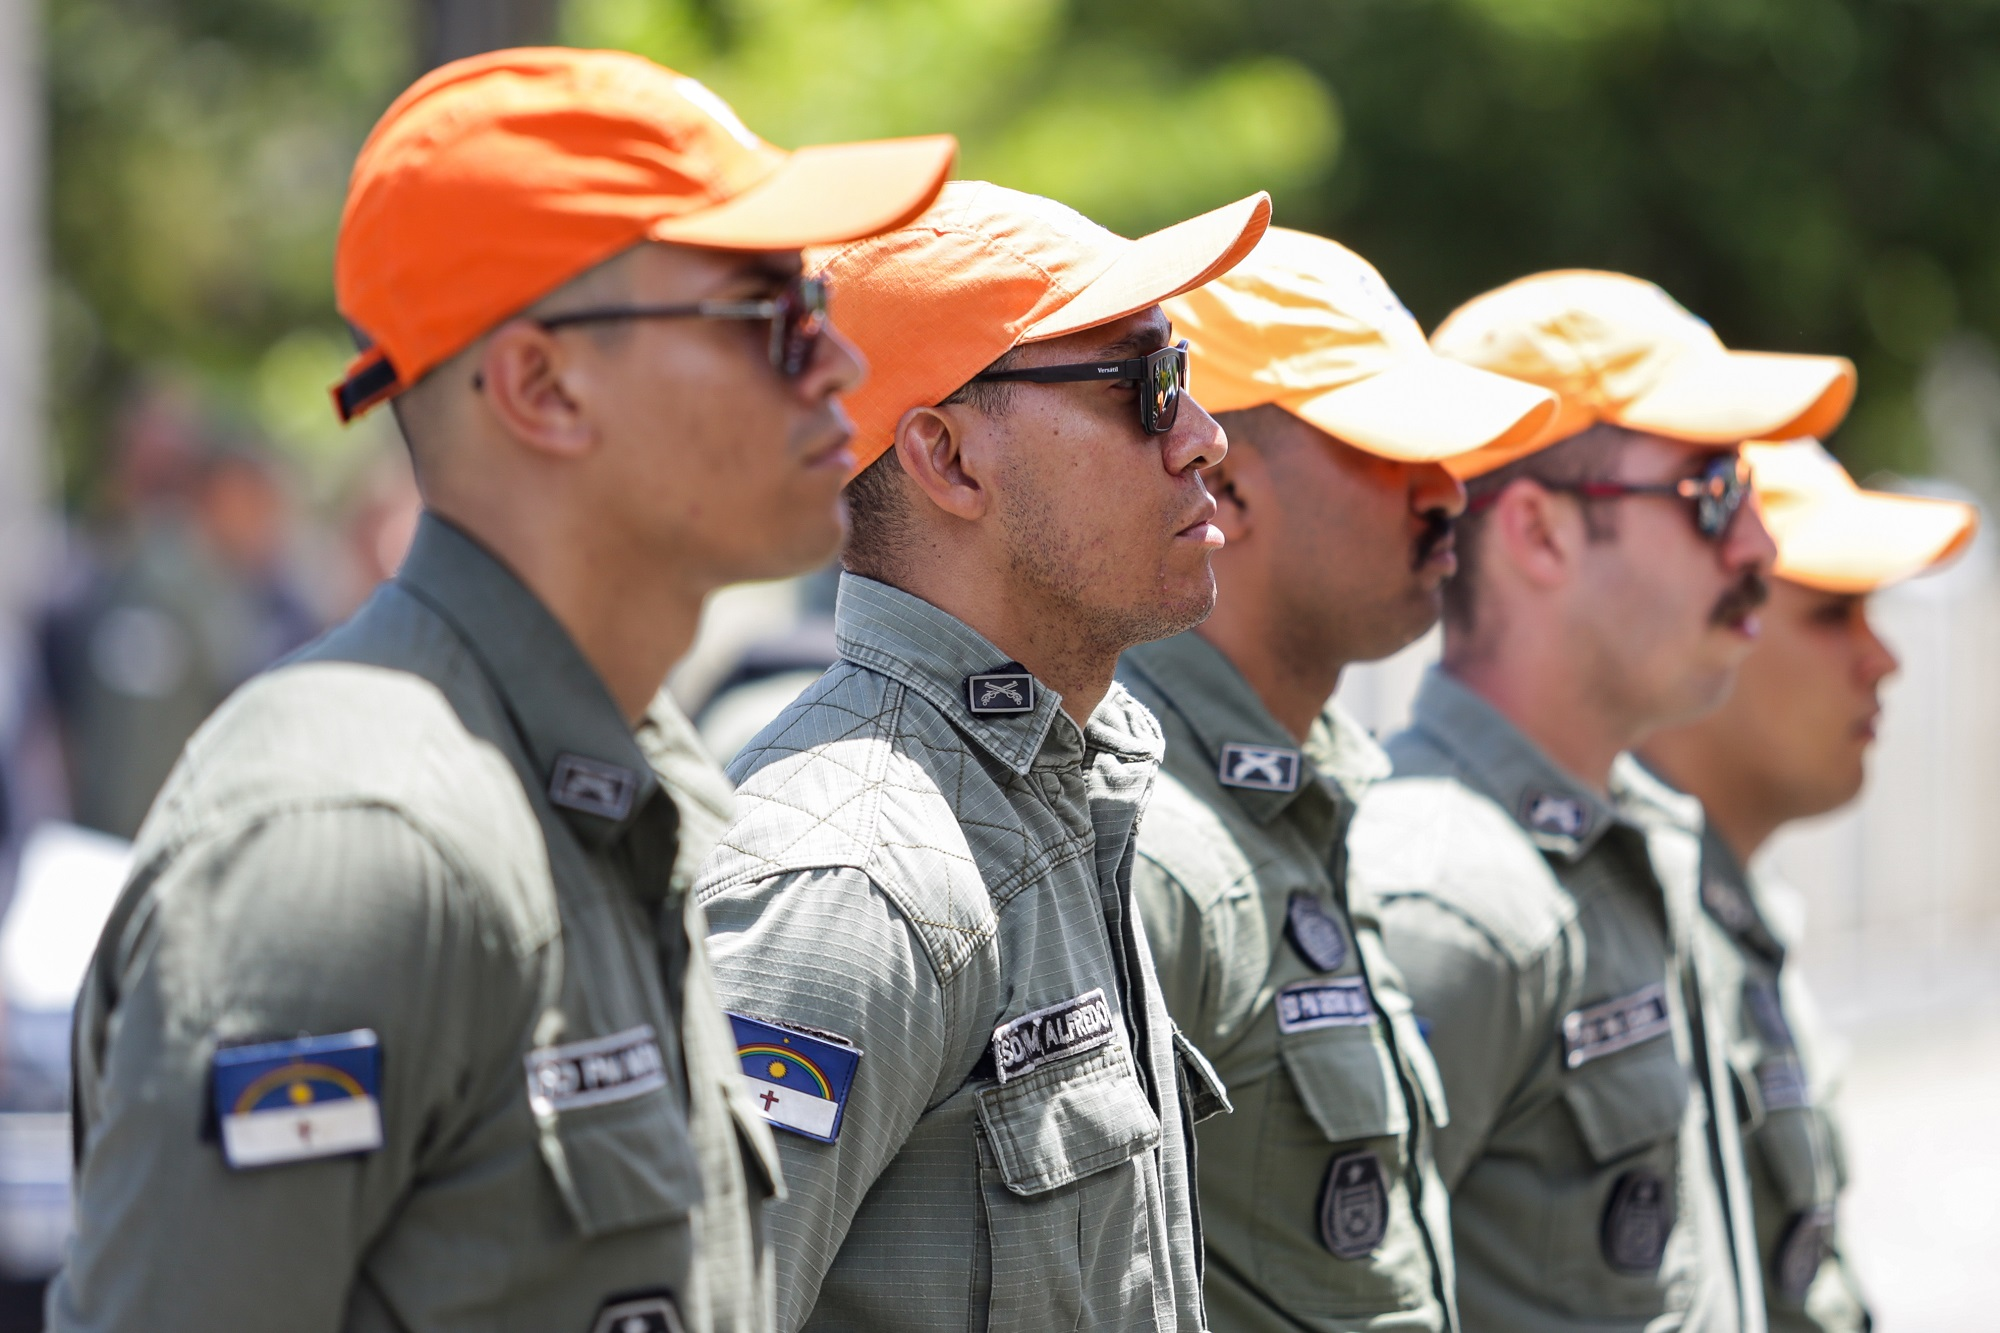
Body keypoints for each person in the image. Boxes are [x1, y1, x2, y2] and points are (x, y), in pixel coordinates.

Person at [51, 47, 954, 1333]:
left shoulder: (633, 782)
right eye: (770, 313)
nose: (838, 368)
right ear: (541, 384)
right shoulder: (356, 843)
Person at [695, 180, 1270, 1331]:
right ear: (948, 457)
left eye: (1185, 373)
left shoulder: (1059, 788)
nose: (1202, 436)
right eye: (1144, 384)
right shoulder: (848, 880)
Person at [1351, 270, 1856, 1333]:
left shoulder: (1639, 841)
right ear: (1538, 533)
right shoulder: (1442, 897)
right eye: (1709, 492)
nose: (1759, 546)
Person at [1115, 227, 1558, 1333]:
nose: (1447, 493)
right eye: (1390, 449)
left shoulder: (1303, 798)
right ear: (1224, 485)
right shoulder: (1148, 837)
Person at [1640, 440, 1975, 1333]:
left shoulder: (1740, 908)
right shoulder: (1593, 916)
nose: (1882, 658)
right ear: (1707, 627)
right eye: (1832, 614)